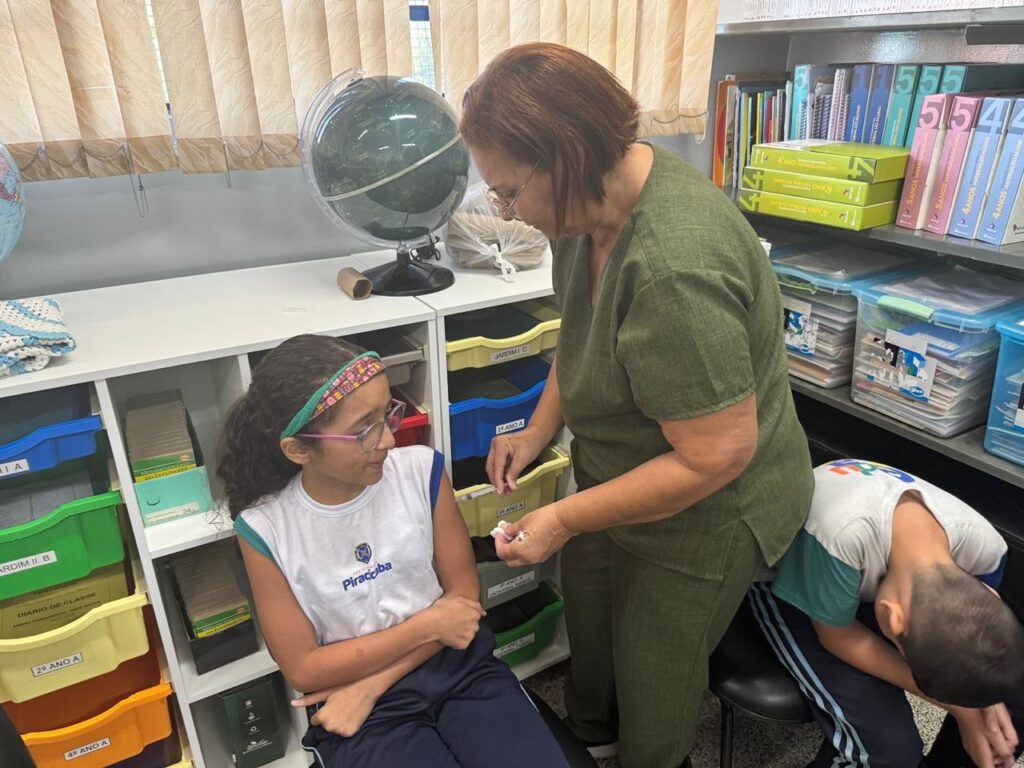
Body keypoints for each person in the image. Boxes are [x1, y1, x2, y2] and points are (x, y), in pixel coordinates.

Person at [459, 43, 814, 768]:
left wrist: (558, 515)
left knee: (657, 678)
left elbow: (718, 455)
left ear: (563, 156)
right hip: (626, 466)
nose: (508, 212)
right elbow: (585, 335)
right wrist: (536, 431)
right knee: (591, 623)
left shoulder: (671, 269)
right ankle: (588, 733)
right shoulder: (585, 214)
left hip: (712, 507)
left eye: (508, 191)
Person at [217, 334, 570, 768]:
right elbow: (305, 668)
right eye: (364, 429)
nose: (387, 439)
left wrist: (374, 683)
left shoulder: (422, 470)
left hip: (447, 667)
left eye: (388, 414)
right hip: (360, 708)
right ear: (298, 449)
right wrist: (430, 625)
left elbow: (463, 604)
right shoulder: (265, 529)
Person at [751, 459, 1024, 768]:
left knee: (1008, 698)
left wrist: (984, 708)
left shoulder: (986, 548)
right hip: (799, 593)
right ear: (892, 618)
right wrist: (963, 710)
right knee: (887, 754)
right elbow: (838, 638)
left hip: (868, 580)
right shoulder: (839, 537)